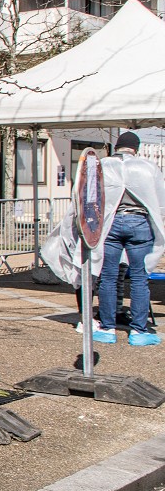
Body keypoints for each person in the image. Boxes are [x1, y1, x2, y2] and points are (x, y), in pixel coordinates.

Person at [91, 132, 165, 345]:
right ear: (136, 148)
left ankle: (107, 328)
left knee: (108, 276)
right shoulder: (147, 167)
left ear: (117, 147)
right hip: (139, 222)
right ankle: (138, 331)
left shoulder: (103, 165)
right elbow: (160, 200)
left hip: (110, 222)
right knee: (140, 277)